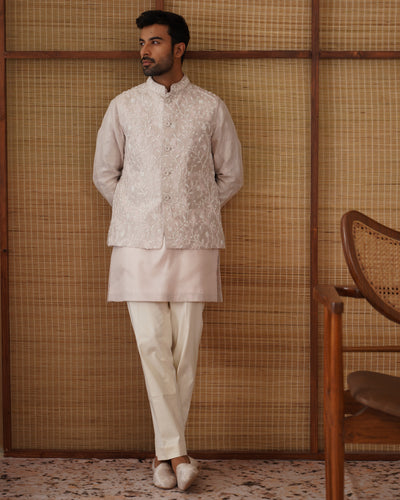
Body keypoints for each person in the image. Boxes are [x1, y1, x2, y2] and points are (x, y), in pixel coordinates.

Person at [93, 10, 243, 491]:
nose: (144, 50)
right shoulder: (123, 106)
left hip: (195, 241)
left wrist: (193, 208)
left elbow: (231, 174)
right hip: (136, 242)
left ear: (178, 48)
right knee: (151, 345)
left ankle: (164, 457)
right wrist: (139, 209)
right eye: (142, 42)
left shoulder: (210, 107)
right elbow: (105, 173)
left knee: (186, 351)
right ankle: (178, 454)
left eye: (154, 42)